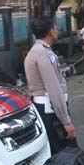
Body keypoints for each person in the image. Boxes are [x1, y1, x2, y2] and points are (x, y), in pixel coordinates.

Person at [24, 17, 77, 155]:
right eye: (55, 28)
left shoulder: (35, 52)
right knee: (67, 155)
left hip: (47, 110)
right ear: (50, 32)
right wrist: (66, 121)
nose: (57, 31)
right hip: (51, 112)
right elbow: (54, 90)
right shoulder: (44, 54)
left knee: (56, 153)